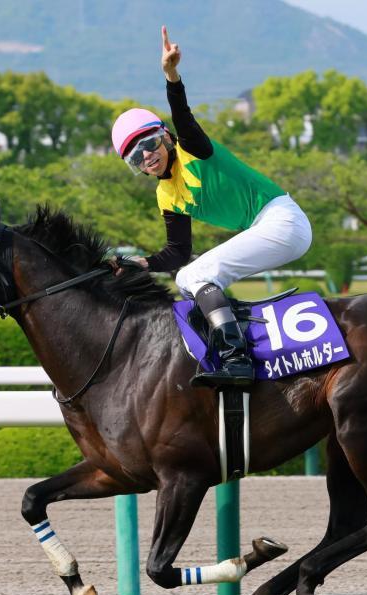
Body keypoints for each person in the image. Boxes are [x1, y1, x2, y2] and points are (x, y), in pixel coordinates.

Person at [110, 26, 312, 388]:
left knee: (193, 276)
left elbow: (182, 112)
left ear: (167, 137)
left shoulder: (192, 148)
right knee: (186, 275)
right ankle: (237, 340)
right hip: (268, 228)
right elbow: (177, 251)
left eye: (150, 144)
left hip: (281, 220)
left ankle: (236, 358)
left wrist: (170, 74)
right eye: (136, 157)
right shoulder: (165, 195)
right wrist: (137, 264)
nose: (147, 157)